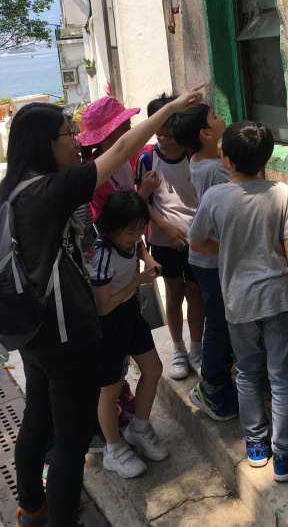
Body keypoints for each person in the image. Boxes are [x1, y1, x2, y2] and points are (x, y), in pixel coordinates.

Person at [0, 86, 202, 527]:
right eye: (68, 134)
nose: (76, 141)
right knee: (70, 444)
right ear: (45, 144)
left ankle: (31, 508)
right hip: (65, 335)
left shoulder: (12, 189)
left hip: (33, 332)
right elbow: (122, 148)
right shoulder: (50, 189)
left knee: (37, 420)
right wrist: (170, 108)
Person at [188, 121, 288, 483]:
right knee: (282, 377)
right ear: (266, 158)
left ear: (225, 158)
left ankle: (256, 447)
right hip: (277, 299)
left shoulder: (215, 197)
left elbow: (196, 241)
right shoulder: (279, 192)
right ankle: (285, 454)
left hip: (238, 303)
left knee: (247, 372)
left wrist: (227, 248)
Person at [79, 96, 161, 429]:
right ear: (105, 138)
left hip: (130, 255)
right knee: (111, 344)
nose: (130, 132)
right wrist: (142, 194)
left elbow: (129, 226)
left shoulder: (125, 163)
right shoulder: (96, 177)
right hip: (112, 265)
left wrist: (144, 253)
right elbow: (111, 225)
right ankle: (113, 402)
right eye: (123, 128)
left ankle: (122, 394)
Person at [90, 190, 166, 478]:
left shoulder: (130, 240)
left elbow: (139, 247)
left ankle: (139, 428)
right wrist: (139, 280)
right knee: (109, 390)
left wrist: (148, 258)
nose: (136, 236)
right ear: (111, 228)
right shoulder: (103, 254)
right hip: (109, 325)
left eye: (140, 229)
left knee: (154, 369)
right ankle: (113, 449)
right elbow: (104, 307)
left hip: (131, 315)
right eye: (130, 231)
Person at [172, 104, 238, 421]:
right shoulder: (214, 170)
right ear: (205, 133)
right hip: (211, 256)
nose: (221, 117)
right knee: (219, 322)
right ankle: (209, 386)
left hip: (209, 256)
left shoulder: (201, 159)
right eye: (214, 116)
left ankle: (219, 379)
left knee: (221, 320)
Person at [135, 95, 205, 380]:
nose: (166, 138)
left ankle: (197, 349)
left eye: (171, 132)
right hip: (163, 241)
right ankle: (178, 349)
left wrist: (195, 232)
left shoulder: (194, 154)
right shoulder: (147, 159)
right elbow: (143, 201)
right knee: (174, 294)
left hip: (197, 240)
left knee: (196, 295)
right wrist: (165, 227)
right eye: (160, 132)